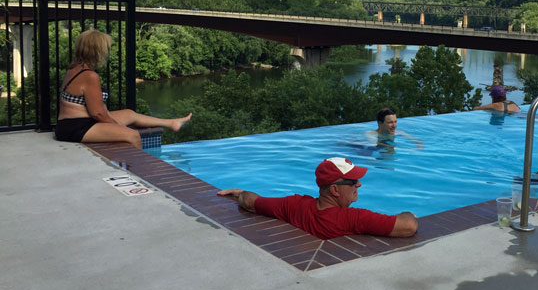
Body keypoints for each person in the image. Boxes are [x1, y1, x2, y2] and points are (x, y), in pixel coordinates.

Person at [217, 157, 418, 239]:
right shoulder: (352, 218)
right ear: (335, 190)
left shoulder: (294, 205)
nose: (359, 184)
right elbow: (408, 226)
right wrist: (409, 213)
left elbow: (251, 202)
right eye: (353, 181)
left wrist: (238, 193)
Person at [54, 29, 192, 148]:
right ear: (96, 51)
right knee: (133, 135)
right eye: (106, 48)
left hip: (74, 123)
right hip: (75, 128)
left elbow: (95, 111)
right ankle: (138, 175)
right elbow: (98, 114)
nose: (107, 52)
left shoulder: (75, 69)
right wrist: (117, 127)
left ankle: (171, 122)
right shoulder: (90, 76)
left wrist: (115, 122)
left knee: (129, 114)